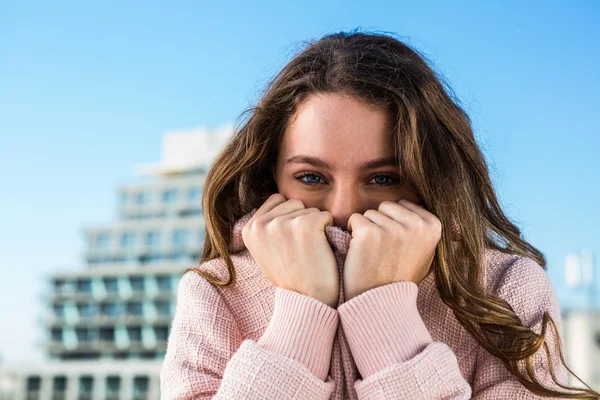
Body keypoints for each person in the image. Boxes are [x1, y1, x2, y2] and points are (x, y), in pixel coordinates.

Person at [159, 30, 599, 399]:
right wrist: (300, 312)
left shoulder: (505, 288)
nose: (344, 210)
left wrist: (387, 317)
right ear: (271, 173)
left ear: (429, 175)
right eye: (312, 177)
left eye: (384, 178)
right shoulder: (218, 291)